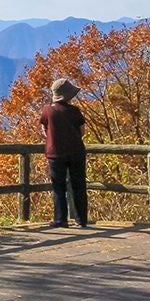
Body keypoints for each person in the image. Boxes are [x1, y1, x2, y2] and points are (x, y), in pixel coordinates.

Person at [39, 77, 88, 228]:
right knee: (78, 185)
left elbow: (44, 130)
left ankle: (60, 219)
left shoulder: (47, 111)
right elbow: (82, 131)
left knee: (59, 187)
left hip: (55, 153)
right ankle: (81, 219)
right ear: (68, 96)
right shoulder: (75, 111)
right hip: (76, 152)